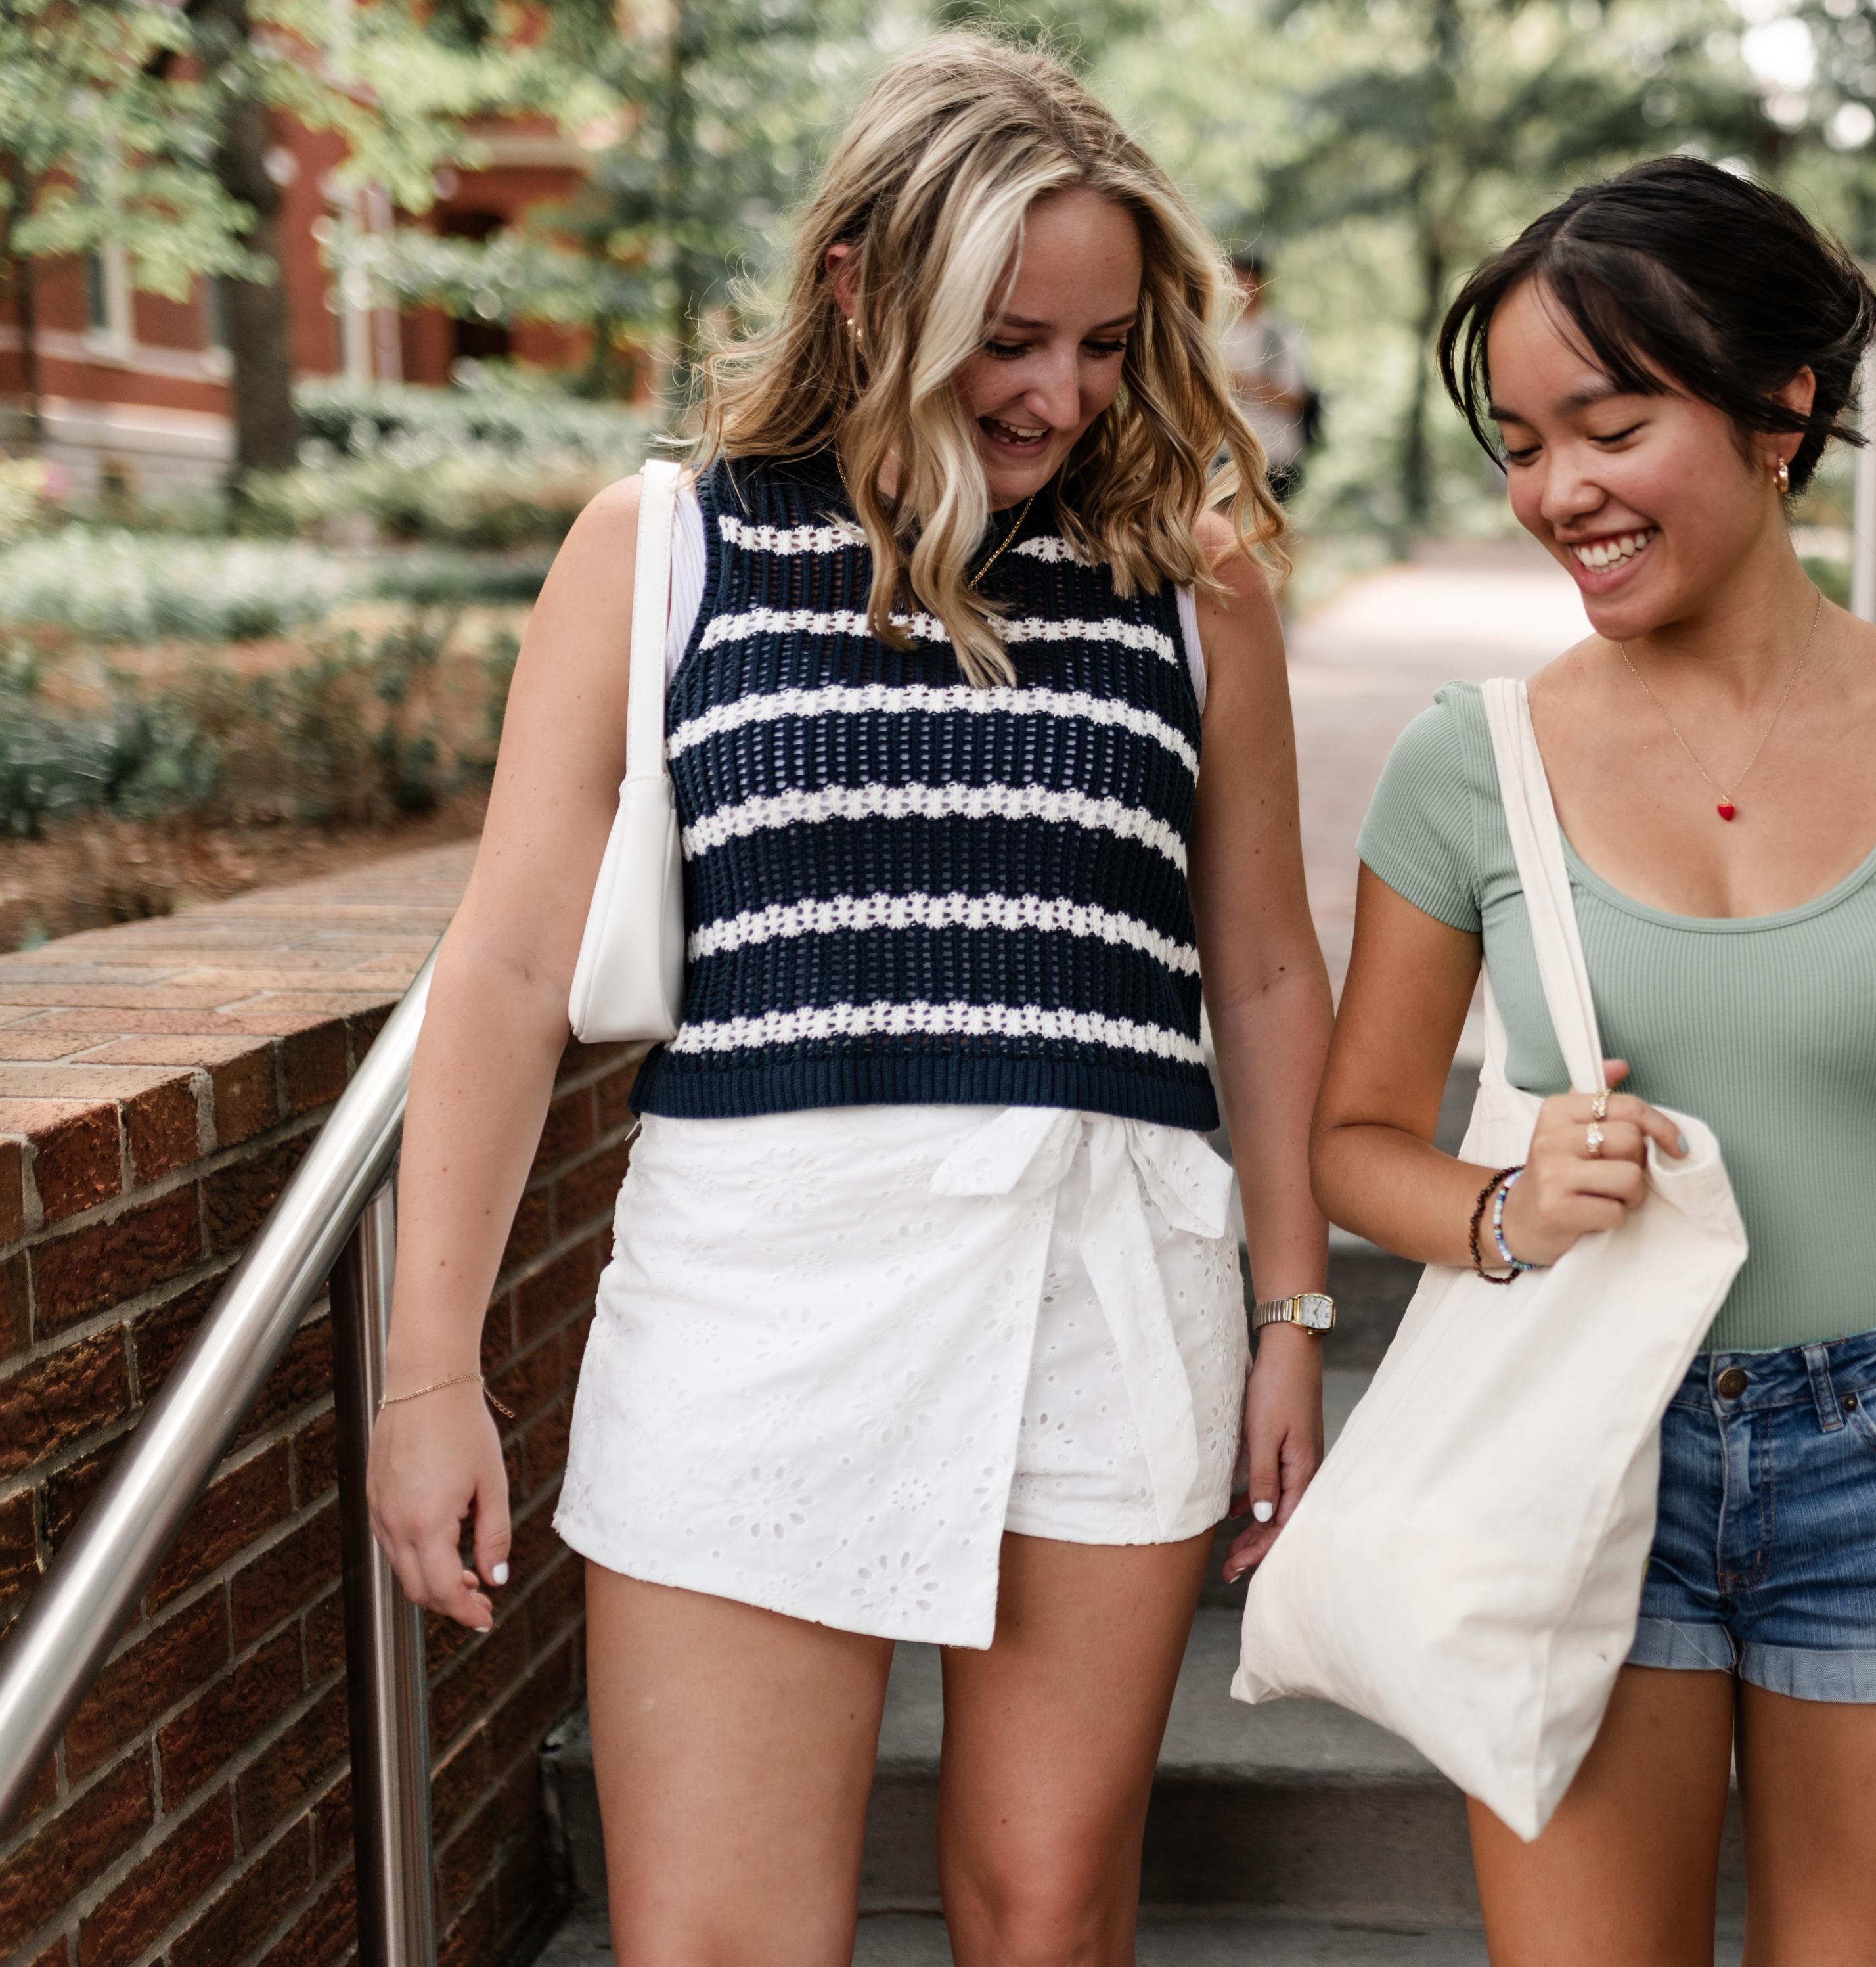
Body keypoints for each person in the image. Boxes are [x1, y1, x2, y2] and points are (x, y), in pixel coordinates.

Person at [365, 34, 1335, 1967]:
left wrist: (1295, 1307)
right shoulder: (665, 547)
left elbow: (1266, 961)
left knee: (1048, 1915)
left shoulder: (1190, 580)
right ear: (863, 285)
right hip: (759, 1293)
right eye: (1007, 335)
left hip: (1106, 1282)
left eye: (1101, 340)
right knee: (723, 1934)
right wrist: (427, 1365)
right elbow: (501, 961)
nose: (1058, 391)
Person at [1310, 157, 1876, 1966]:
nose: (1556, 490)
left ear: (1778, 409)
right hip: (1579, 1446)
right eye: (1519, 442)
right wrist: (1501, 1202)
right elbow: (1347, 1141)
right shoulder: (1464, 762)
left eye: (1609, 423)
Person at [1221, 252, 1314, 503]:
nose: (1236, 286)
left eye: (1243, 278)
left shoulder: (1280, 336)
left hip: (1273, 455)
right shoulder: (1221, 334)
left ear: (1260, 282)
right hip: (1228, 452)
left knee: (1270, 532)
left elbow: (1295, 401)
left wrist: (1242, 382)